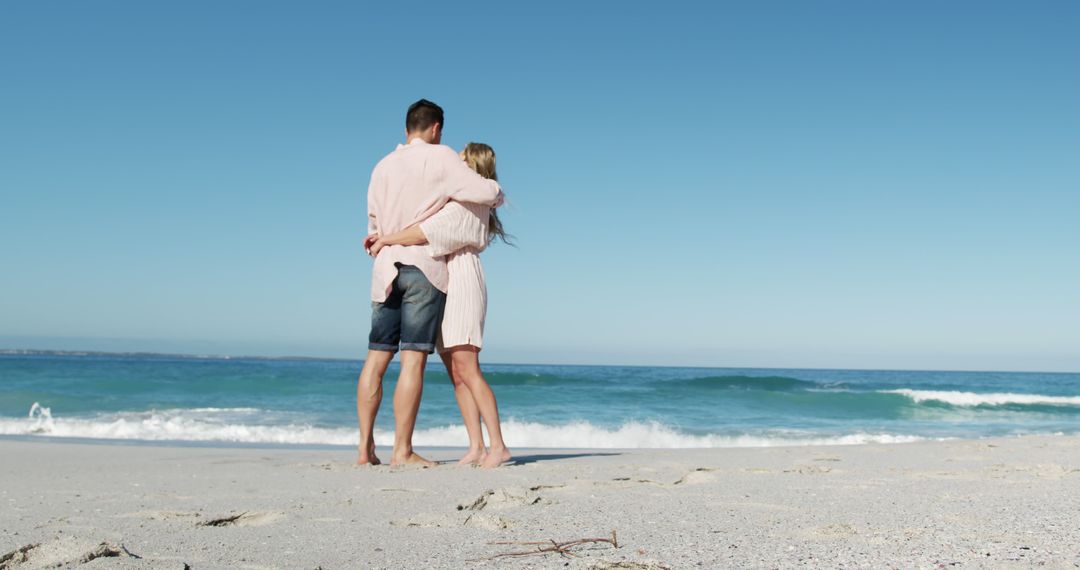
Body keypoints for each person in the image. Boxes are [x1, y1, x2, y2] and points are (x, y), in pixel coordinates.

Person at [358, 100, 503, 467]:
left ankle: (365, 450)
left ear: (408, 126)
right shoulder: (440, 158)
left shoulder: (381, 167)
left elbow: (373, 223)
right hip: (422, 267)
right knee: (412, 362)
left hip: (385, 268)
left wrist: (382, 238)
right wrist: (495, 192)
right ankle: (402, 452)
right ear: (436, 128)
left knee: (375, 359)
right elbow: (488, 193)